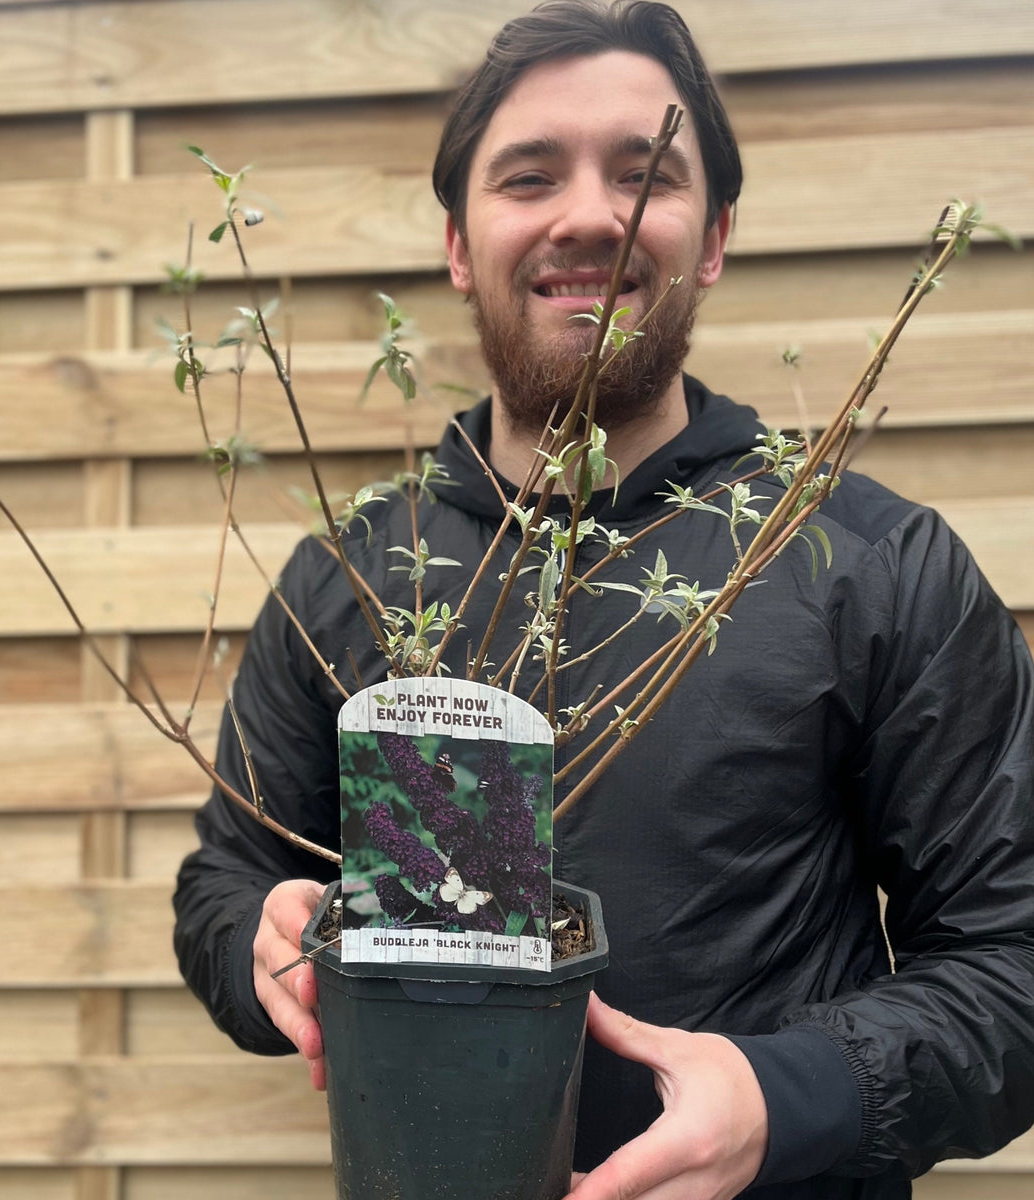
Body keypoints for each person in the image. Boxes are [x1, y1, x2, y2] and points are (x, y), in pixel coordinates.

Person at [173, 2, 1034, 1196]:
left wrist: (788, 1100)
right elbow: (228, 873)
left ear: (715, 235)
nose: (592, 212)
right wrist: (258, 945)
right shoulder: (357, 575)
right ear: (461, 246)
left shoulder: (872, 564)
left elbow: (1014, 959)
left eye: (646, 175)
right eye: (529, 176)